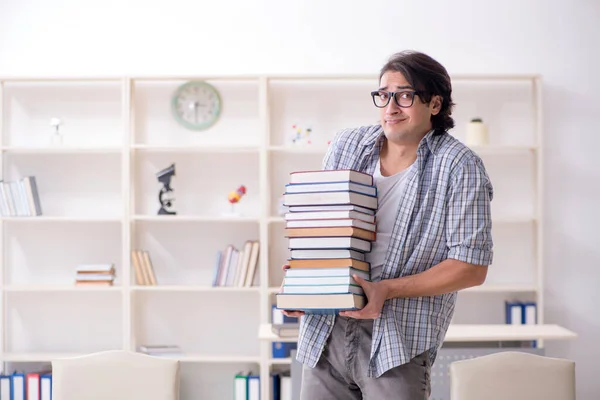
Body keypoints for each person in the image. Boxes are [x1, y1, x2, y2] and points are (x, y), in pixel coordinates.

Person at [281, 50, 494, 399]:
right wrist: (305, 275)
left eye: (405, 96)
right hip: (326, 330)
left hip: (397, 342)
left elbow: (471, 267)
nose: (391, 107)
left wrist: (386, 290)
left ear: (435, 104)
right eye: (384, 95)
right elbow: (320, 222)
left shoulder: (460, 166)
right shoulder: (349, 144)